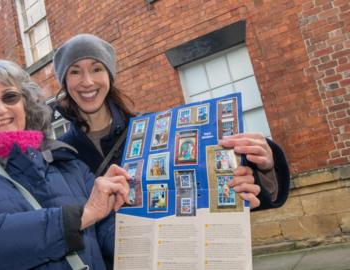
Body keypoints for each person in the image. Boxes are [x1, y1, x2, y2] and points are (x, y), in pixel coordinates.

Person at [0, 59, 130, 270]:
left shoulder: (70, 166)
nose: (0, 109)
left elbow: (114, 238)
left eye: (10, 97)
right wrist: (78, 218)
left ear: (25, 106)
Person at [53, 33, 290, 211]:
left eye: (96, 69)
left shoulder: (154, 130)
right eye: (75, 72)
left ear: (109, 76)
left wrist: (264, 168)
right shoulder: (60, 155)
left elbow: (203, 190)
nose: (87, 81)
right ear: (64, 82)